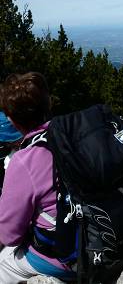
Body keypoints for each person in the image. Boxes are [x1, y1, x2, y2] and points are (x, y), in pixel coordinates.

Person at [0, 73, 75, 282]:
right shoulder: (71, 133)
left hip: (65, 257)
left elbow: (9, 235)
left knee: (2, 265)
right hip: (109, 235)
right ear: (48, 102)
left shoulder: (24, 161)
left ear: (11, 119)